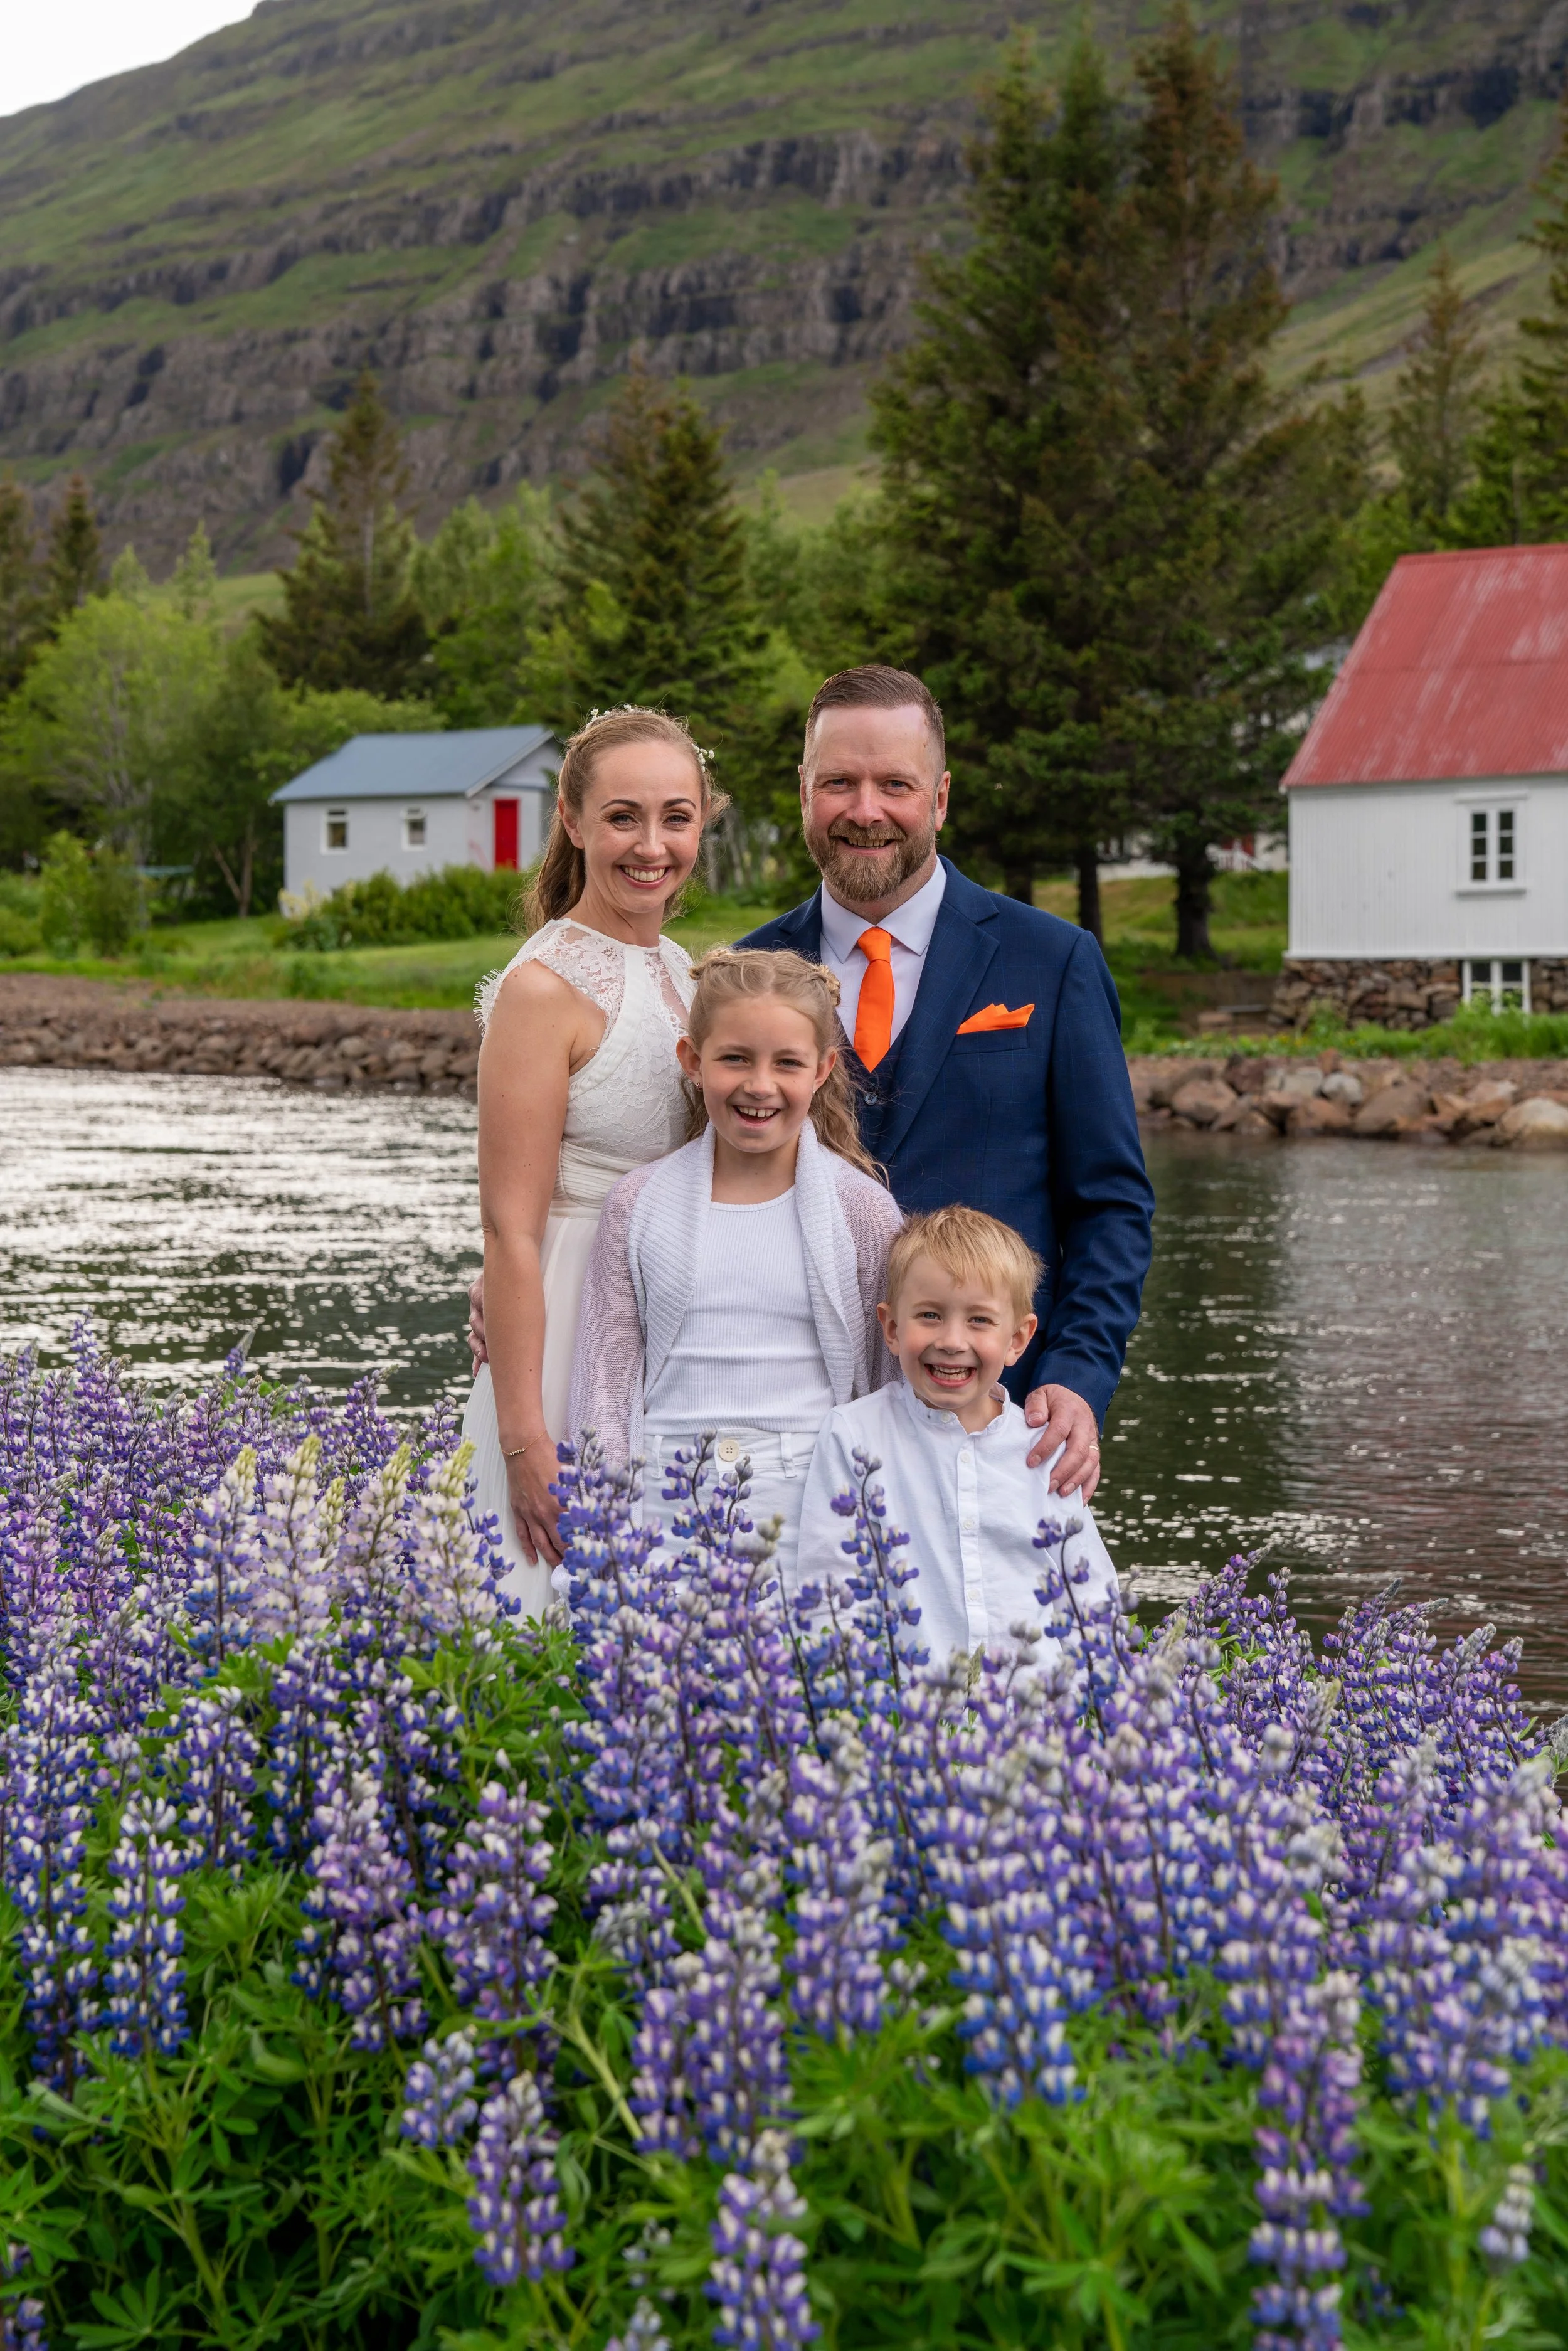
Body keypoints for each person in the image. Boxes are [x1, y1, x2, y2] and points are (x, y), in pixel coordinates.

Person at [741, 664, 1154, 1504]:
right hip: (790, 1433)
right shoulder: (749, 976)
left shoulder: (1053, 961)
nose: (866, 810)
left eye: (895, 783)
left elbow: (1110, 1206)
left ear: (940, 797)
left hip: (1001, 1427)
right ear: (803, 793)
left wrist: (1079, 1376)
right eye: (838, 783)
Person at [462, 705, 717, 1613]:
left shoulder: (686, 974)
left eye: (676, 817)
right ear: (572, 821)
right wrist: (526, 1439)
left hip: (669, 1318)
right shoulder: (543, 988)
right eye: (623, 817)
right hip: (568, 1319)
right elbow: (512, 1231)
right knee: (547, 1600)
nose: (652, 845)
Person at [566, 948, 904, 1585]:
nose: (759, 1085)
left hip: (813, 1519)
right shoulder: (638, 1203)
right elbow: (605, 1390)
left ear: (823, 1069)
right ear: (692, 1060)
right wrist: (601, 1538)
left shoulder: (861, 1211)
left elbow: (889, 1389)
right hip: (663, 1512)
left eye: (787, 1063)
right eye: (734, 1058)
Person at [796, 1204, 1118, 1663]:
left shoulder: (1041, 1447)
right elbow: (830, 1584)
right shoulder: (854, 1435)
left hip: (1037, 1716)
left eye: (980, 1320)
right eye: (929, 1315)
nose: (951, 1340)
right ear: (890, 1327)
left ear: (1018, 1340)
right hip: (910, 1714)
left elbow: (1092, 1597)